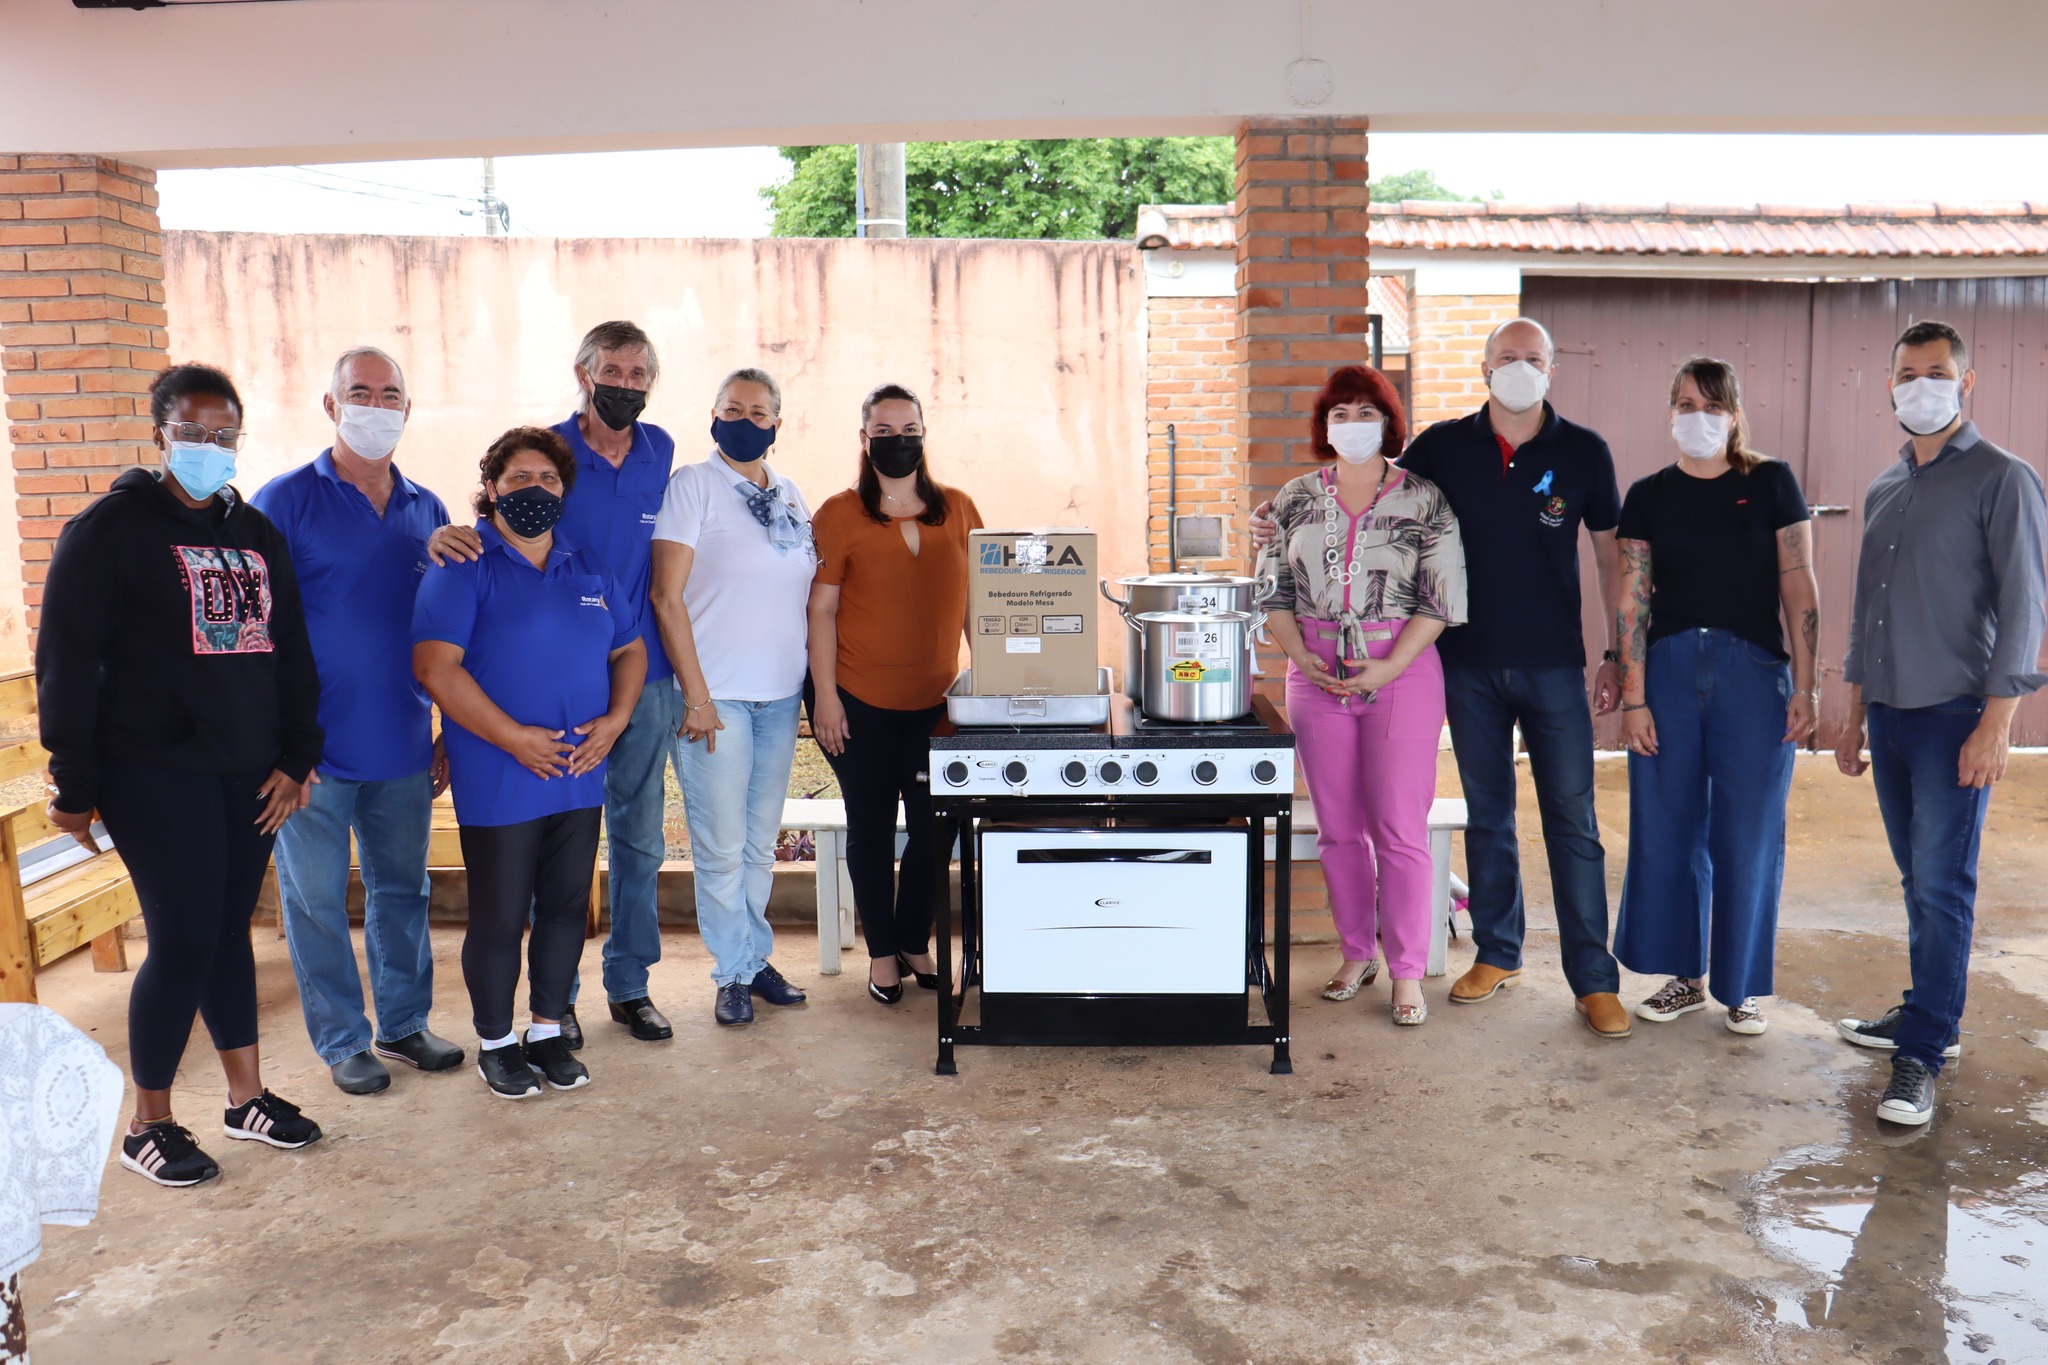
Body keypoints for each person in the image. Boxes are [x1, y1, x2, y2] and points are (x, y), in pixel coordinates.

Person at [1254, 318, 1631, 1038]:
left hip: (1552, 661)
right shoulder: (1443, 447)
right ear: (1484, 367)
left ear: (1552, 367)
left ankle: (1593, 978)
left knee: (1573, 820)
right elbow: (1358, 492)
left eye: (1532, 358)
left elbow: (1613, 557)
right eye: (1506, 357)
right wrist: (1270, 519)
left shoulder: (1585, 450)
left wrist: (1618, 652)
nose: (1519, 368)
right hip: (1465, 663)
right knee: (1489, 817)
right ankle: (1497, 953)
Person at [37, 363, 325, 1186]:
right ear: (159, 432)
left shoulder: (254, 531)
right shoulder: (111, 530)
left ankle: (246, 1098)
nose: (210, 445)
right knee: (186, 936)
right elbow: (67, 661)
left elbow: (290, 650)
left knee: (226, 930)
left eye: (224, 432)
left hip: (251, 774)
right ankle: (149, 1124)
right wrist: (75, 783)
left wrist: (296, 756)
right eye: (193, 430)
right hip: (154, 770)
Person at [431, 321, 678, 1046]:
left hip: (635, 669)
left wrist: (634, 701)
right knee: (542, 869)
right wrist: (441, 536)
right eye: (612, 370)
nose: (624, 384)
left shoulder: (660, 450)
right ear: (583, 374)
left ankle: (628, 985)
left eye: (638, 373)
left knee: (637, 841)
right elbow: (490, 536)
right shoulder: (548, 450)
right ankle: (554, 1004)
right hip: (540, 695)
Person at [1833, 320, 2046, 1127]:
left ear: (1966, 382)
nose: (1921, 385)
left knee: (1944, 881)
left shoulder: (2003, 478)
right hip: (1889, 714)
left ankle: (1921, 1054)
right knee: (1916, 878)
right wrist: (1855, 711)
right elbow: (1867, 609)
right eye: (1907, 373)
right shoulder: (1887, 485)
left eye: (1936, 372)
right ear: (1889, 385)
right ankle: (1931, 1012)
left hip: (1955, 715)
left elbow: (2025, 608)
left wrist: (1997, 723)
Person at [252, 347, 464, 1096]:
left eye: (389, 394)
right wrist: (280, 743)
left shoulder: (427, 508)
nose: (376, 406)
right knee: (314, 903)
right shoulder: (282, 501)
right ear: (331, 404)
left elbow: (449, 627)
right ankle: (342, 1039)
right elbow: (255, 631)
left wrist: (448, 727)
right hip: (308, 754)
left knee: (403, 891)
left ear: (407, 408)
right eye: (360, 392)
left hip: (402, 744)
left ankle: (403, 1024)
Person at [412, 427, 647, 1099]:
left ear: (564, 490)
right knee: (500, 912)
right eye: (519, 478)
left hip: (579, 770)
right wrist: (514, 738)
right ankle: (496, 1042)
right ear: (491, 488)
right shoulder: (464, 563)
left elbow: (630, 648)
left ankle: (546, 1030)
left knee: (567, 908)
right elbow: (435, 667)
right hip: (501, 773)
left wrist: (616, 719)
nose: (534, 490)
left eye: (548, 479)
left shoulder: (587, 564)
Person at [1611, 357, 1819, 1038]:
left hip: (1752, 675)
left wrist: (1806, 685)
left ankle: (1740, 985)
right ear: (1670, 413)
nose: (1695, 417)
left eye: (1709, 405)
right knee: (1667, 827)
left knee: (1748, 832)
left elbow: (1799, 583)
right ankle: (1685, 977)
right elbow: (1633, 598)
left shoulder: (1771, 482)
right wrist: (1634, 699)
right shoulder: (1647, 494)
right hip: (1668, 672)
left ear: (1733, 413)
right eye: (1684, 405)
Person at [1256, 365, 1465, 1026]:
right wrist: (1302, 659)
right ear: (1325, 425)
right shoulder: (1293, 498)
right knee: (1339, 829)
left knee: (1400, 829)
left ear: (1388, 422)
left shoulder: (1424, 499)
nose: (1351, 424)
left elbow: (1442, 599)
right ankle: (1356, 952)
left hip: (1402, 672)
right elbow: (1271, 591)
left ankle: (1407, 970)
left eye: (1365, 412)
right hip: (1315, 676)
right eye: (1339, 413)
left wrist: (1389, 666)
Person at [807, 384, 983, 1005]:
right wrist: (825, 697)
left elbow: (980, 604)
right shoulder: (838, 513)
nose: (897, 440)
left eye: (908, 429)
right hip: (857, 700)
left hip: (938, 703)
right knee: (872, 828)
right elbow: (821, 610)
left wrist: (987, 683)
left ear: (923, 434)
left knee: (937, 829)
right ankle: (882, 952)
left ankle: (914, 940)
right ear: (865, 439)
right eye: (883, 431)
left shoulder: (959, 508)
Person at [650, 367, 816, 1026]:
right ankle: (732, 972)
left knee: (757, 845)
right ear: (714, 415)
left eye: (758, 412)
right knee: (720, 847)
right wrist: (696, 696)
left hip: (779, 696)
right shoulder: (694, 485)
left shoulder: (791, 492)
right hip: (714, 699)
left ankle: (753, 957)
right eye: (733, 409)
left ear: (778, 424)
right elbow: (666, 595)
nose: (745, 421)